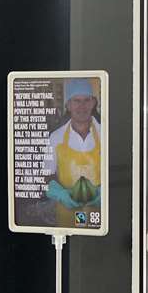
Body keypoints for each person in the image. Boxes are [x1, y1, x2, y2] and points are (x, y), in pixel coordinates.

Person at [42, 76, 102, 228]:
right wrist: (61, 194)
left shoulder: (106, 134)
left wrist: (104, 193)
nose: (82, 106)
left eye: (86, 100)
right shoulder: (55, 138)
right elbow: (45, 177)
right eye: (76, 101)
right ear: (68, 105)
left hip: (100, 215)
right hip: (66, 214)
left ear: (93, 103)